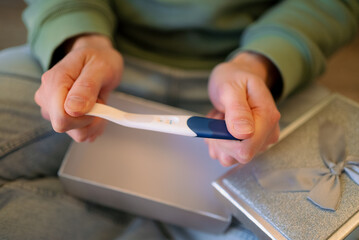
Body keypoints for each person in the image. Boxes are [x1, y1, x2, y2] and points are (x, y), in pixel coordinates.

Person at [0, 0, 358, 239]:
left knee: (339, 223)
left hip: (254, 74)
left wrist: (260, 63)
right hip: (100, 58)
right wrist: (80, 40)